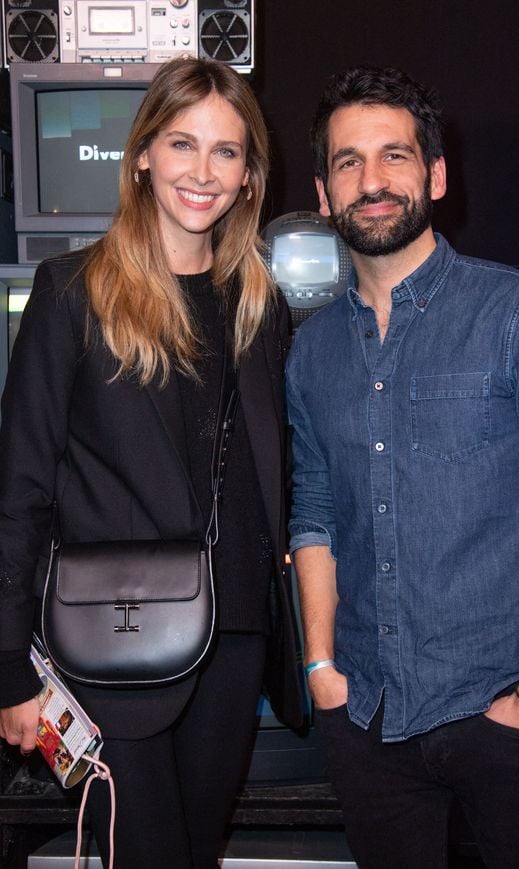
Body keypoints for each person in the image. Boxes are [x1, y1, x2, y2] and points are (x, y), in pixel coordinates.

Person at [0, 56, 303, 869]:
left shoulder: (260, 304)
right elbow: (19, 492)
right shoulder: (71, 293)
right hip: (111, 636)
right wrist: (8, 670)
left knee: (196, 853)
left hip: (234, 634)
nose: (202, 172)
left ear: (249, 175)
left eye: (225, 151)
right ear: (142, 156)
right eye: (181, 143)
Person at [286, 64, 519, 868]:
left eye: (395, 156)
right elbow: (314, 511)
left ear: (436, 175)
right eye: (348, 162)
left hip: (506, 713)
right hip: (368, 717)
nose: (372, 181)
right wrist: (321, 667)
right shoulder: (311, 351)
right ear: (324, 193)